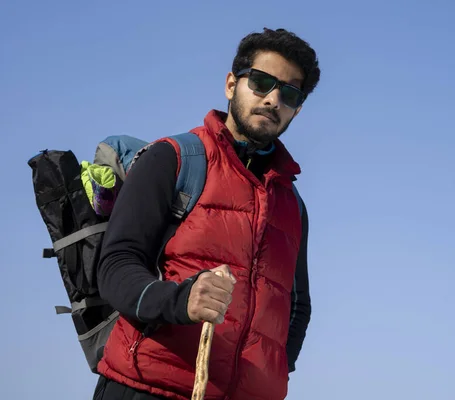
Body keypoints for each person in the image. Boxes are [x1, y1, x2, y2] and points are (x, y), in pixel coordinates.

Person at [92, 28, 320, 400]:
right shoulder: (172, 159)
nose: (273, 99)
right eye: (261, 82)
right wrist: (180, 301)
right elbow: (116, 264)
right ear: (232, 84)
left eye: (290, 93)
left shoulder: (291, 202)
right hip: (146, 388)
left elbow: (298, 306)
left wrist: (272, 370)